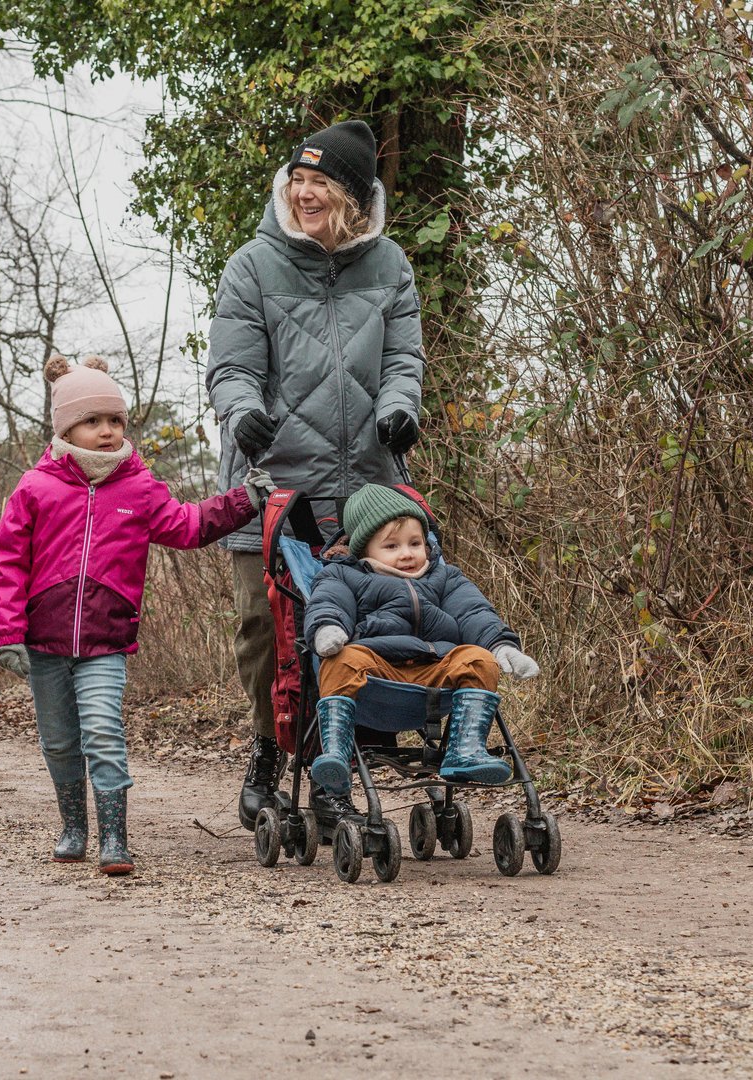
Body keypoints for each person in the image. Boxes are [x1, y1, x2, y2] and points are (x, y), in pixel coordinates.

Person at [205, 119, 426, 830]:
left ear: (353, 199)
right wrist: (242, 415)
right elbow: (233, 367)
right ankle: (269, 750)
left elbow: (402, 363)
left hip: (365, 486)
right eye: (297, 180)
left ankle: (339, 759)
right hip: (271, 481)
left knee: (357, 625)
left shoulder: (390, 267)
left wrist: (399, 411)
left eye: (320, 183)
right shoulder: (252, 266)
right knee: (264, 630)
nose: (304, 193)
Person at [0, 355, 270, 875]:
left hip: (107, 641)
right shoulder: (35, 488)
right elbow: (5, 560)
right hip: (43, 643)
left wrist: (242, 502)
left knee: (102, 731)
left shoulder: (138, 487)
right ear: (67, 425)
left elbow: (187, 526)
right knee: (59, 739)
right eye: (93, 421)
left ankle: (114, 837)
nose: (107, 431)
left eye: (115, 420)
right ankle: (74, 826)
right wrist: (8, 633)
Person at [303, 485, 541, 794]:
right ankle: (336, 751)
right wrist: (327, 628)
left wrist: (501, 644)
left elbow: (474, 612)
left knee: (478, 659)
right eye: (391, 546)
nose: (407, 554)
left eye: (415, 543)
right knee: (340, 658)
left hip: (435, 670)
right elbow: (328, 603)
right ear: (363, 549)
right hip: (374, 674)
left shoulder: (444, 578)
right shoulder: (343, 575)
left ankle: (465, 751)